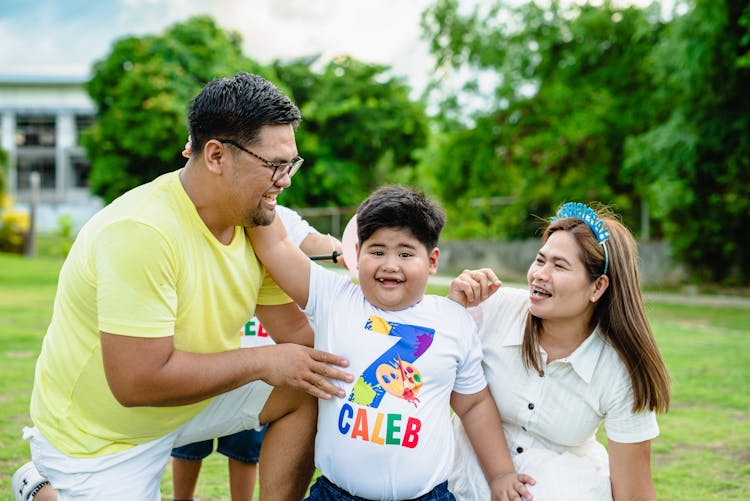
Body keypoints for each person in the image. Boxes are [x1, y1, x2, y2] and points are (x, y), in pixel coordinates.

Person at [11, 72, 353, 501]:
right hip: (98, 439)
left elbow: (300, 339)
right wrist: (264, 359)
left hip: (183, 407)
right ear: (215, 156)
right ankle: (40, 487)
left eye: (291, 164)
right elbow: (136, 382)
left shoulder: (256, 222)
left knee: (307, 384)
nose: (286, 179)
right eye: (274, 165)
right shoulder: (141, 232)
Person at [247, 185, 535, 501]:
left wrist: (501, 474)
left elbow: (475, 405)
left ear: (433, 261)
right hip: (336, 493)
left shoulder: (454, 321)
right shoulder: (334, 297)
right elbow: (275, 244)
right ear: (356, 254)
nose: (390, 264)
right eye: (377, 251)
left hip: (428, 496)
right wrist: (259, 183)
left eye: (406, 253)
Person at [447, 202, 671, 500]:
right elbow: (420, 374)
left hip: (560, 486)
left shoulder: (620, 371)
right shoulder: (491, 309)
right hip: (466, 466)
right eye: (540, 260)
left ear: (598, 287)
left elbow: (634, 491)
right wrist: (452, 312)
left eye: (559, 265)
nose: (540, 274)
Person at [170, 204, 344, 501]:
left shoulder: (279, 217)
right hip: (207, 362)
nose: (281, 178)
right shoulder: (187, 221)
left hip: (265, 365)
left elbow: (312, 242)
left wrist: (351, 251)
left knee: (245, 447)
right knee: (188, 450)